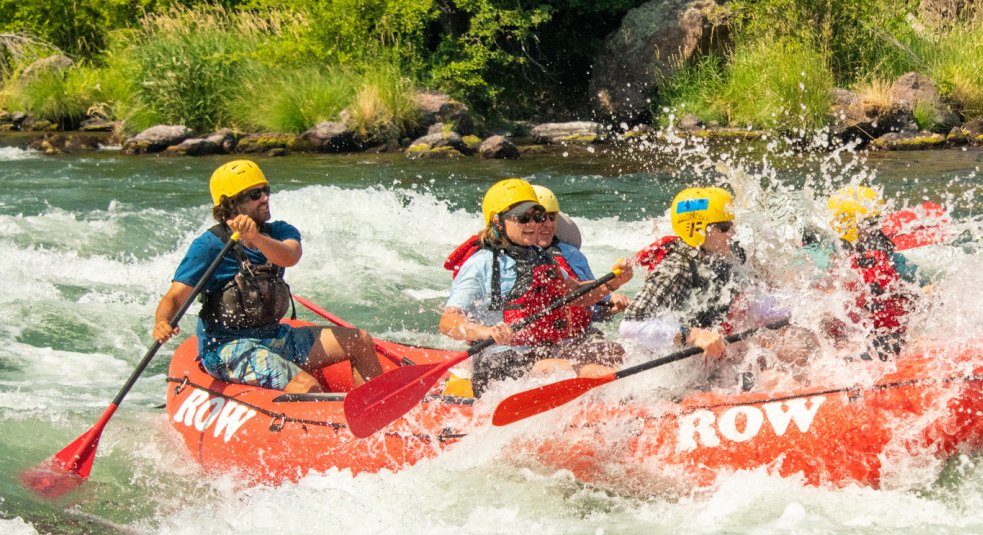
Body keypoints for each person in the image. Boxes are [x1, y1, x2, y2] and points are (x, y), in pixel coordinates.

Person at [152, 159, 384, 393]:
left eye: (265, 191)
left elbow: (290, 256)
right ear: (231, 204)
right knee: (307, 386)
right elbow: (174, 297)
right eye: (254, 194)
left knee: (360, 340)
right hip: (227, 348)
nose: (264, 198)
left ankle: (378, 414)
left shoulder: (280, 232)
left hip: (274, 336)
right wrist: (162, 322)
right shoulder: (209, 246)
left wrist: (256, 238)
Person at [439, 178, 633, 395]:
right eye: (523, 218)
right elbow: (448, 321)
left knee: (613, 352)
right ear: (497, 221)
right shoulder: (481, 263)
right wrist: (485, 331)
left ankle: (634, 398)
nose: (533, 225)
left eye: (538, 216)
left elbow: (577, 296)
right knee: (581, 370)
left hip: (541, 351)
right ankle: (629, 400)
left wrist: (612, 283)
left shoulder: (542, 257)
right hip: (500, 362)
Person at [620, 187, 792, 364]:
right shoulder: (676, 268)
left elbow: (754, 300)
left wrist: (801, 308)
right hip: (677, 364)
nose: (732, 232)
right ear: (698, 229)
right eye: (724, 227)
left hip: (717, 351)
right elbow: (631, 325)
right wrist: (694, 335)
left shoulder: (729, 254)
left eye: (731, 224)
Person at [825, 184, 924, 359]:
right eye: (872, 222)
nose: (878, 227)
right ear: (852, 226)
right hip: (867, 341)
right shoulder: (839, 265)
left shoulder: (888, 258)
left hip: (882, 336)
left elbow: (921, 287)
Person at [531, 184, 629, 320]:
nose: (548, 224)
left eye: (552, 217)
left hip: (579, 336)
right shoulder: (503, 260)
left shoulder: (570, 254)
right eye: (540, 218)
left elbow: (596, 309)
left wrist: (612, 303)